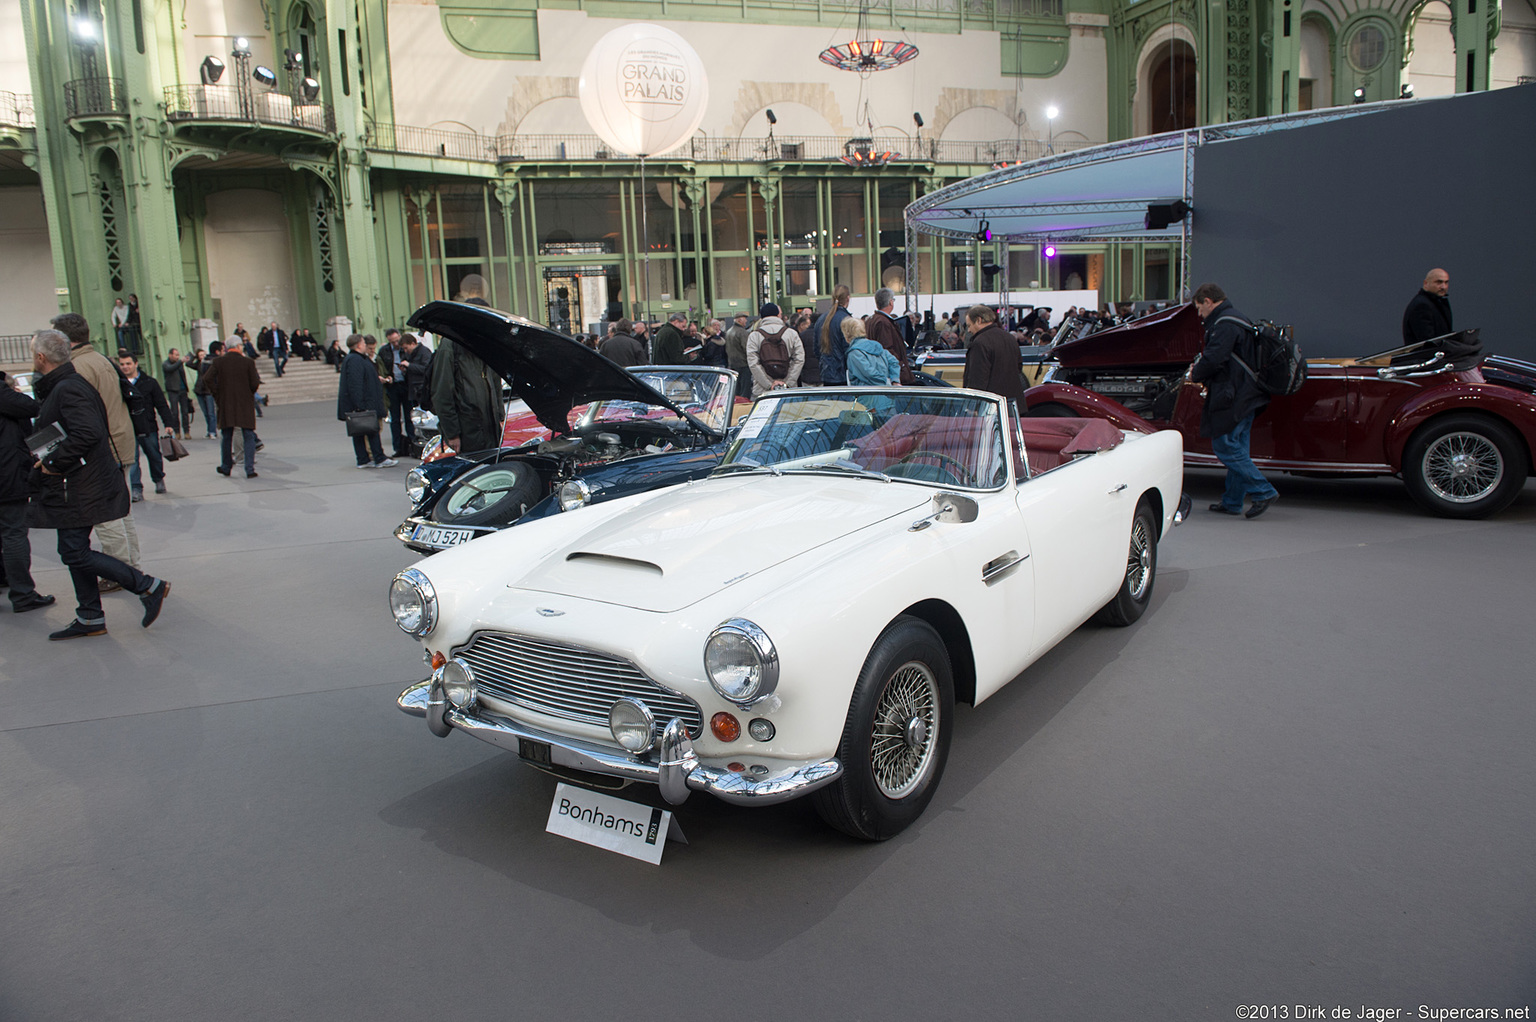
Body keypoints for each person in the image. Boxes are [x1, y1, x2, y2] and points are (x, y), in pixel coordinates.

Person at [25, 330, 170, 640]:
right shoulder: (66, 385)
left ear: (41, 357)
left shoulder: (68, 388)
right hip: (78, 483)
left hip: (80, 485)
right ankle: (90, 616)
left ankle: (146, 586)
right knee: (72, 550)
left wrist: (52, 463)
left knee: (74, 551)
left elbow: (87, 433)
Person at [52, 312, 140, 577]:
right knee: (121, 511)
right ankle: (131, 567)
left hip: (104, 447)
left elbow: (82, 419)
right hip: (120, 440)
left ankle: (120, 572)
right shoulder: (101, 359)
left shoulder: (79, 367)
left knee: (105, 515)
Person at [1189, 282, 1278, 519]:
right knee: (1239, 447)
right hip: (1249, 393)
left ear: (1208, 301)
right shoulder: (1240, 318)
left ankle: (1263, 490)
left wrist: (1195, 373)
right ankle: (1232, 501)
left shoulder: (1225, 323)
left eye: (1199, 308)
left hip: (1234, 394)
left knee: (1224, 445)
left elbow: (1215, 358)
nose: (1200, 314)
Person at [1, 369, 54, 613]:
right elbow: (31, 407)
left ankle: (7, 579)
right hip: (7, 478)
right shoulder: (5, 397)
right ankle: (22, 594)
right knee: (14, 534)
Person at [116, 352, 176, 501]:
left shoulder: (149, 382)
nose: (125, 367)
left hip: (147, 426)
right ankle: (136, 488)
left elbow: (161, 404)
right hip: (128, 428)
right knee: (132, 460)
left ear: (136, 364)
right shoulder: (118, 384)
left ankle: (158, 478)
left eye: (128, 364)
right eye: (122, 364)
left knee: (154, 455)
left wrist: (168, 423)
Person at [203, 334, 262, 478]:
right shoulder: (248, 362)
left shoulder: (219, 362)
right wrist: (249, 393)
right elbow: (255, 383)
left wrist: (217, 394)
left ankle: (226, 466)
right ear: (238, 346)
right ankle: (249, 468)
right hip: (244, 403)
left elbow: (207, 378)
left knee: (227, 435)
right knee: (247, 434)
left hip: (226, 403)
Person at [340, 333, 395, 469]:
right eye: (364, 343)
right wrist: (360, 405)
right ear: (359, 345)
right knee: (371, 430)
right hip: (365, 402)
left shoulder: (355, 358)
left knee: (360, 432)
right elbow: (356, 383)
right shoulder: (355, 360)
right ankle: (378, 458)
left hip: (364, 401)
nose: (366, 346)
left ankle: (364, 459)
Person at [961, 304, 1025, 403]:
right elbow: (1019, 367)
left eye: (969, 325)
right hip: (1013, 403)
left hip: (991, 406)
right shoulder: (1009, 338)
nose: (969, 330)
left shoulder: (980, 343)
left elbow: (978, 378)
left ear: (979, 320)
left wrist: (973, 404)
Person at [745, 303, 804, 399]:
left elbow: (753, 363)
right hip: (788, 390)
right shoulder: (792, 334)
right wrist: (787, 383)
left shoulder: (754, 335)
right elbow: (799, 359)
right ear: (778, 315)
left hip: (762, 390)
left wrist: (769, 384)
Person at [864, 287, 914, 385]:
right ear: (890, 302)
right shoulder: (883, 322)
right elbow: (887, 348)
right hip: (890, 374)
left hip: (878, 371)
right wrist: (900, 366)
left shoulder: (871, 320)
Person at [378, 328, 415, 457]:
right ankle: (398, 447)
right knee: (395, 419)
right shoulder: (384, 351)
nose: (395, 344)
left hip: (406, 385)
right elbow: (381, 367)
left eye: (396, 340)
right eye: (392, 342)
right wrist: (387, 377)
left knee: (409, 416)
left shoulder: (405, 348)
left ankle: (412, 445)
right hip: (393, 386)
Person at [811, 285, 852, 386]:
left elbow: (816, 349)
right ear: (848, 298)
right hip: (843, 374)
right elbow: (849, 349)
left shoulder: (821, 319)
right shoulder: (846, 320)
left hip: (826, 372)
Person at [843, 317, 902, 386]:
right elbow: (894, 362)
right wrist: (894, 380)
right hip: (887, 393)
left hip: (866, 393)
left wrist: (885, 382)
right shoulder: (880, 348)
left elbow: (868, 373)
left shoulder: (854, 354)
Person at [1402, 267, 1453, 346]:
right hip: (1426, 357)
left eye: (1446, 282)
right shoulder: (1422, 306)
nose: (1443, 287)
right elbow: (1427, 342)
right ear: (1426, 283)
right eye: (1439, 282)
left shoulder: (1435, 303)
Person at [161, 347, 192, 439]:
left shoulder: (180, 364)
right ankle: (177, 431)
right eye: (176, 355)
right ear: (170, 355)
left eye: (178, 355)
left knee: (185, 412)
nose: (177, 357)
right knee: (174, 412)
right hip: (173, 390)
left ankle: (186, 431)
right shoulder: (166, 364)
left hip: (182, 390)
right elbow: (170, 369)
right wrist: (180, 361)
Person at [189, 344, 219, 438]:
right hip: (199, 390)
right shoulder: (198, 364)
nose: (202, 357)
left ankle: (213, 432)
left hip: (208, 391)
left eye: (203, 355)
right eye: (200, 355)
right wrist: (193, 357)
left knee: (211, 412)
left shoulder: (209, 363)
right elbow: (188, 364)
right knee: (206, 413)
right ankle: (209, 430)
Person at [724, 312, 752, 398]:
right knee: (745, 391)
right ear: (739, 320)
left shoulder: (728, 331)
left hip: (733, 364)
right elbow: (747, 348)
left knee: (736, 390)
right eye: (745, 319)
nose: (746, 321)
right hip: (743, 364)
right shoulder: (742, 332)